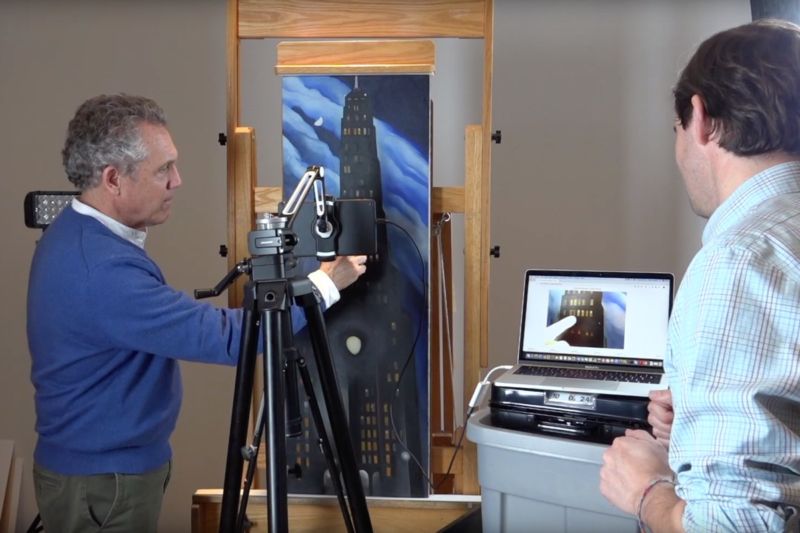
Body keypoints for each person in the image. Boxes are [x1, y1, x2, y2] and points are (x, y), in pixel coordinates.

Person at [26, 93, 367, 532]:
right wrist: (325, 284)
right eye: (163, 169)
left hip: (99, 475)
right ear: (113, 179)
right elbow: (229, 340)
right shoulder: (101, 270)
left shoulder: (76, 234)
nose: (177, 181)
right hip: (104, 486)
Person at [600, 19, 800, 532]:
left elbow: (735, 526)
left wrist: (648, 492)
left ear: (700, 117)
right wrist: (691, 426)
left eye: (675, 132)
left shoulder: (740, 261)